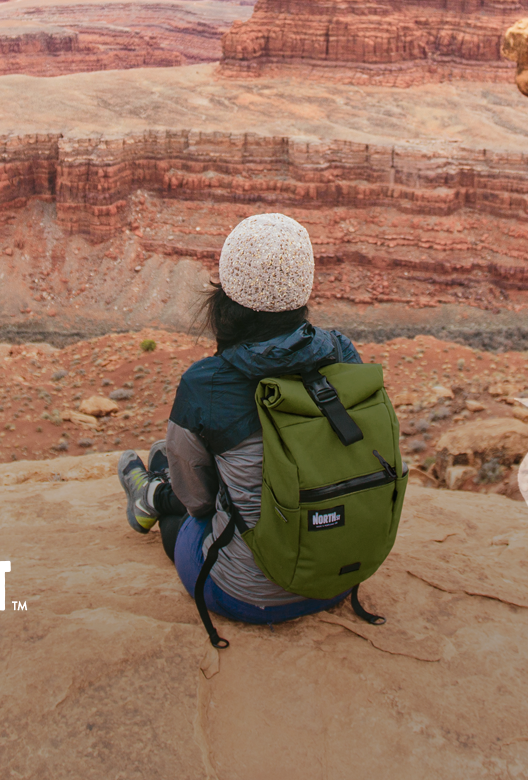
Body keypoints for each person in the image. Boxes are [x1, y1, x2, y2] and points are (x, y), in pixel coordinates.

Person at [118, 212, 362, 625]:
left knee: (183, 507)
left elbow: (197, 502)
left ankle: (153, 497)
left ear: (227, 293)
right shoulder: (341, 351)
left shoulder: (206, 383)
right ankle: (157, 483)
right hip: (339, 573)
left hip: (249, 594)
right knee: (186, 460)